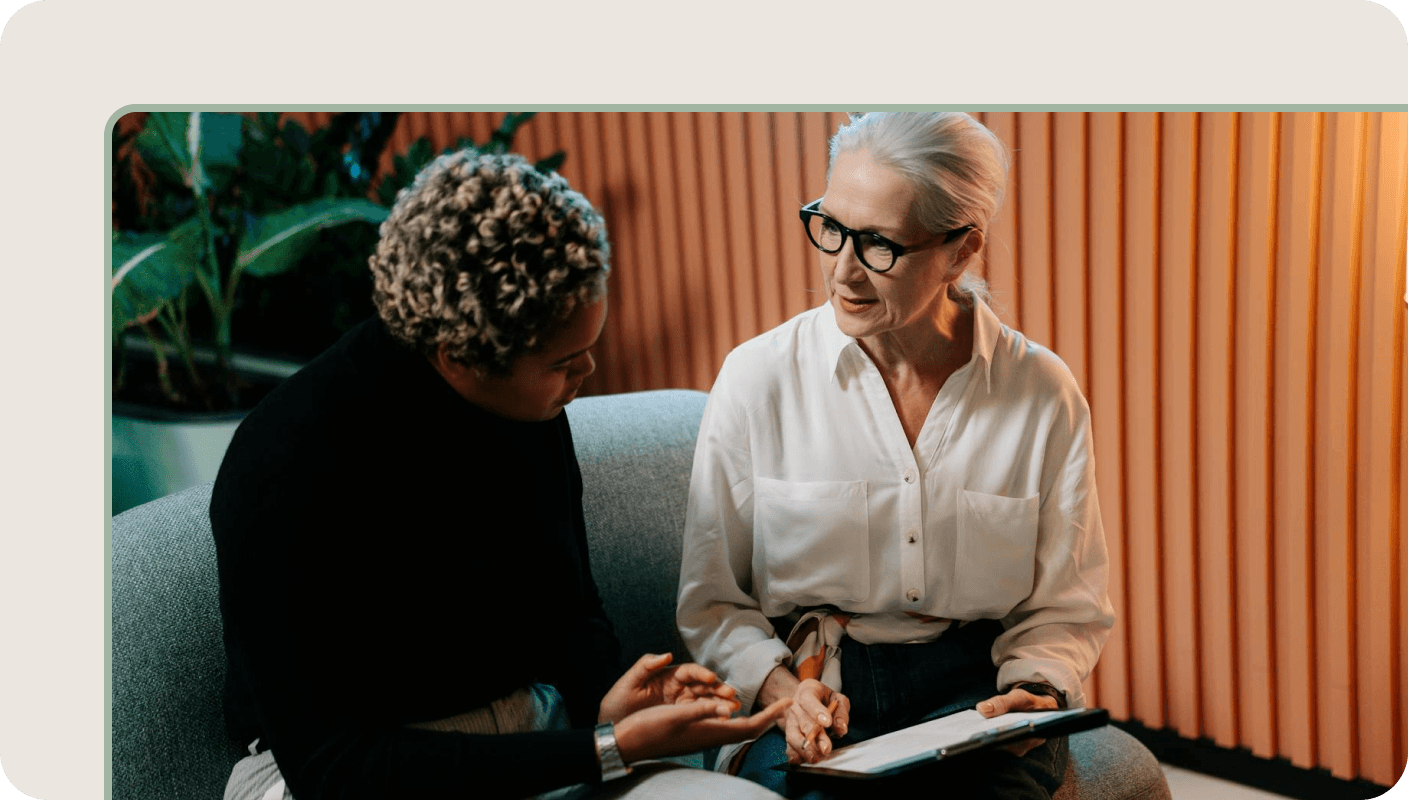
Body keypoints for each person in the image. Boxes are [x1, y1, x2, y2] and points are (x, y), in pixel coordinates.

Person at [211, 150, 790, 800]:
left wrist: (613, 695)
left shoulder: (530, 410)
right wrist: (602, 749)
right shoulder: (284, 466)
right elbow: (334, 765)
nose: (588, 374)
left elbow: (570, 615)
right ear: (457, 356)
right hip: (349, 776)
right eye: (566, 361)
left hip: (539, 735)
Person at [676, 112, 1115, 799]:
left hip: (974, 689)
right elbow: (712, 603)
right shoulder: (757, 379)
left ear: (961, 250)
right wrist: (787, 692)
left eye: (878, 244)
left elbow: (1066, 605)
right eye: (831, 227)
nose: (842, 269)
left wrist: (1036, 688)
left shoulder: (1039, 393)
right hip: (815, 679)